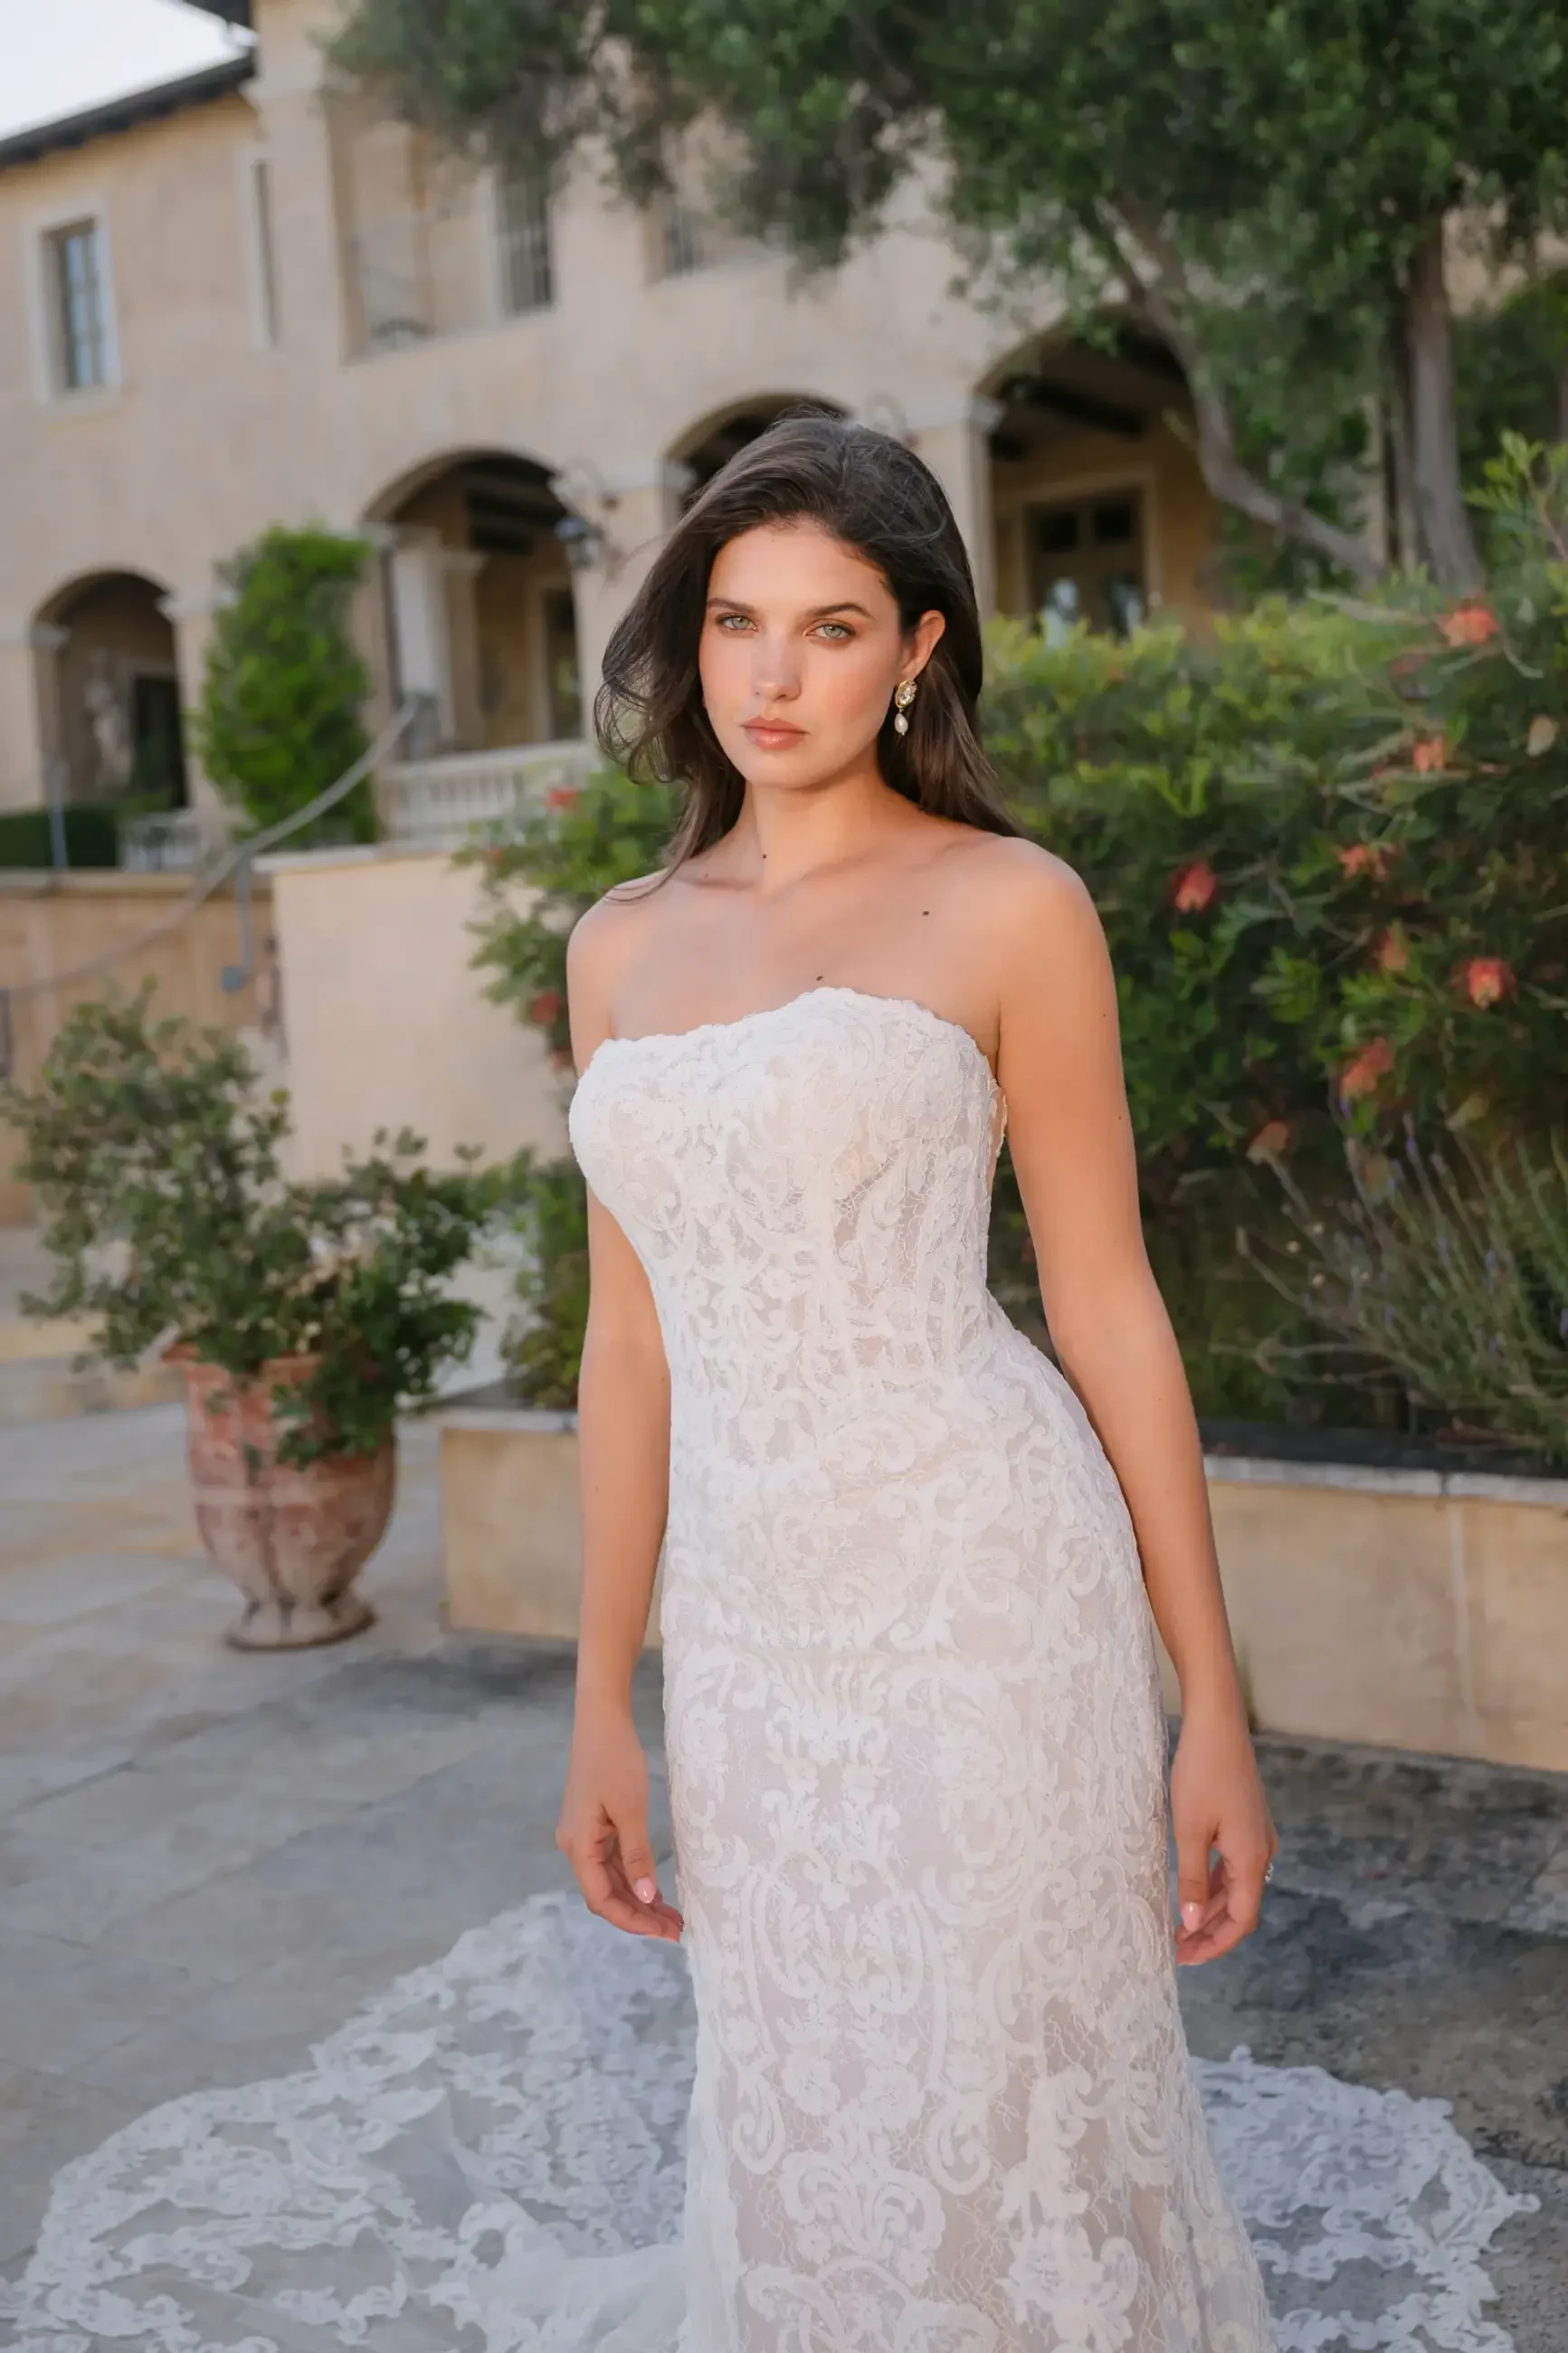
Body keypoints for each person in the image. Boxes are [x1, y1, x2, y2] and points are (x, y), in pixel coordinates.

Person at [557, 410, 1278, 2349]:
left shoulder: (1007, 906)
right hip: (745, 1628)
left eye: (830, 625)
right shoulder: (612, 949)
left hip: (981, 1592)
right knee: (807, 2095)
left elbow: (1110, 1309)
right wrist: (597, 1699)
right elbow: (625, 1352)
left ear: (918, 650)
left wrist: (1207, 1699)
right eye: (733, 623)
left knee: (1005, 2097)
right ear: (687, 640)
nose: (770, 675)